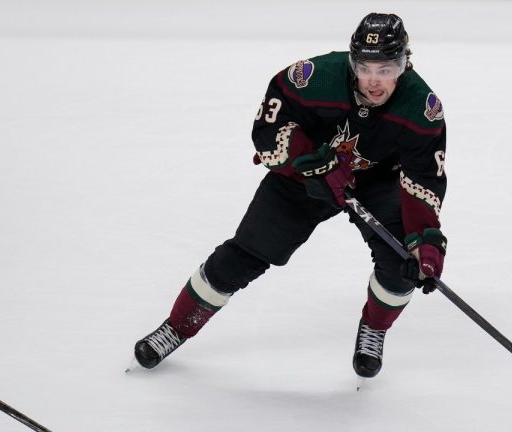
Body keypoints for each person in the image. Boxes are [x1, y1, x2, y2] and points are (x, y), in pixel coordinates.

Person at [132, 12, 447, 381]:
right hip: (306, 176)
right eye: (366, 67)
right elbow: (267, 127)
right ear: (352, 61)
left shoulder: (422, 108)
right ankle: (176, 327)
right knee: (244, 254)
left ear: (405, 62)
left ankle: (374, 329)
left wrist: (424, 242)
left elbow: (422, 177)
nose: (375, 81)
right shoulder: (314, 78)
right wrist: (307, 163)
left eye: (387, 69)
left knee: (401, 266)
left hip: (377, 183)